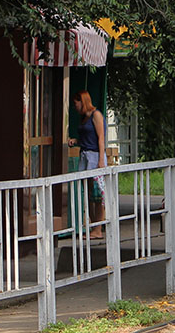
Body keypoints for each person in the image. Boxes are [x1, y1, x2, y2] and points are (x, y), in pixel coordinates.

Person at [68, 91, 107, 239]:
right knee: (89, 193)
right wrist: (76, 141)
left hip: (94, 155)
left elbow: (101, 137)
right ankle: (93, 225)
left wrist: (101, 160)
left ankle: (98, 228)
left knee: (98, 193)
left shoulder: (96, 115)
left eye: (76, 103)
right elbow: (86, 137)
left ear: (82, 101)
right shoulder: (84, 118)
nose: (75, 106)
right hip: (84, 155)